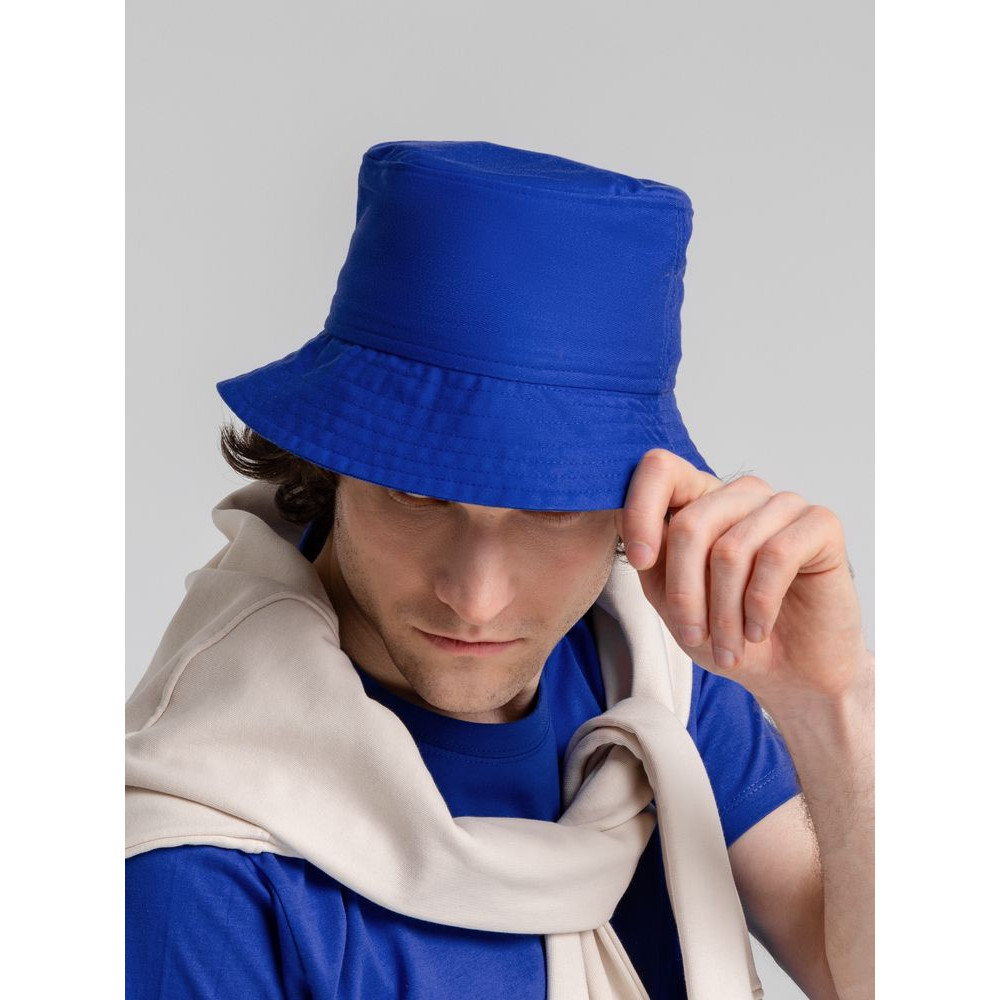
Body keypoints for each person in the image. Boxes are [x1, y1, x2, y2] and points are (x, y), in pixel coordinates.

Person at [125, 140, 874, 1000]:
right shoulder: (197, 870)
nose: (476, 599)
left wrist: (831, 703)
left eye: (550, 510)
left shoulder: (648, 673)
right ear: (330, 464)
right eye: (418, 494)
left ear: (638, 503)